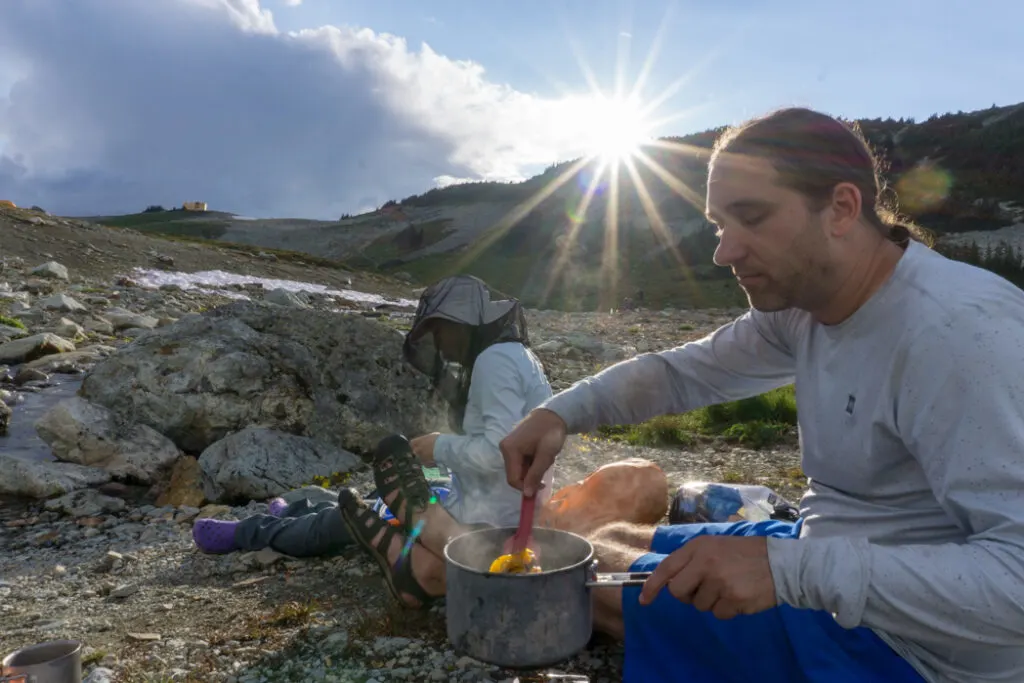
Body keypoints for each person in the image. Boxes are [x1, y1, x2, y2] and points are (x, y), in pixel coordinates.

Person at [499, 107, 1024, 682]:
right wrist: (558, 412)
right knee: (610, 536)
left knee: (582, 568)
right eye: (721, 225)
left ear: (842, 209)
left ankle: (433, 558)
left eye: (751, 218)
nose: (725, 253)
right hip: (820, 552)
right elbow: (685, 373)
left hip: (908, 650)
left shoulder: (960, 336)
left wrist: (789, 573)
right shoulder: (808, 303)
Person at [192, 277, 555, 589]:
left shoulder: (494, 361)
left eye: (440, 332)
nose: (440, 346)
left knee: (344, 522)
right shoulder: (515, 355)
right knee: (387, 489)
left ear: (462, 324)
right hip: (490, 502)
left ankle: (247, 533)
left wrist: (438, 446)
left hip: (482, 521)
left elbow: (500, 452)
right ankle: (294, 514)